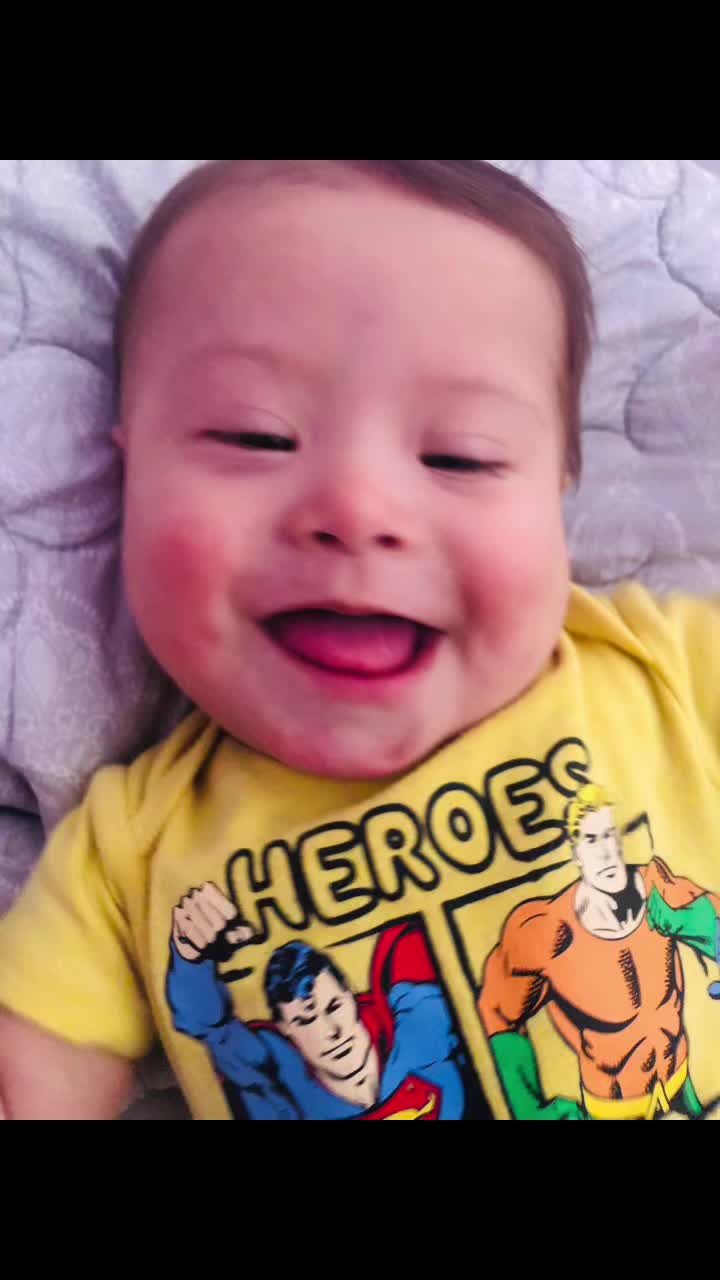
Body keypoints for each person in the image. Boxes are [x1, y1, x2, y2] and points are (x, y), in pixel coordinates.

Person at [0, 159, 719, 1121]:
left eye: (460, 455)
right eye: (256, 437)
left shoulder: (665, 669)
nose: (356, 508)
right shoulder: (123, 853)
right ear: (128, 463)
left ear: (559, 489)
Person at [479, 785, 720, 1121]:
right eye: (591, 841)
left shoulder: (660, 892)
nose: (605, 853)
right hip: (615, 1109)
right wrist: (529, 1109)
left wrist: (695, 927)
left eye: (609, 836)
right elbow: (498, 1012)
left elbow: (714, 922)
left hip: (682, 1086)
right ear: (575, 853)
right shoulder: (548, 932)